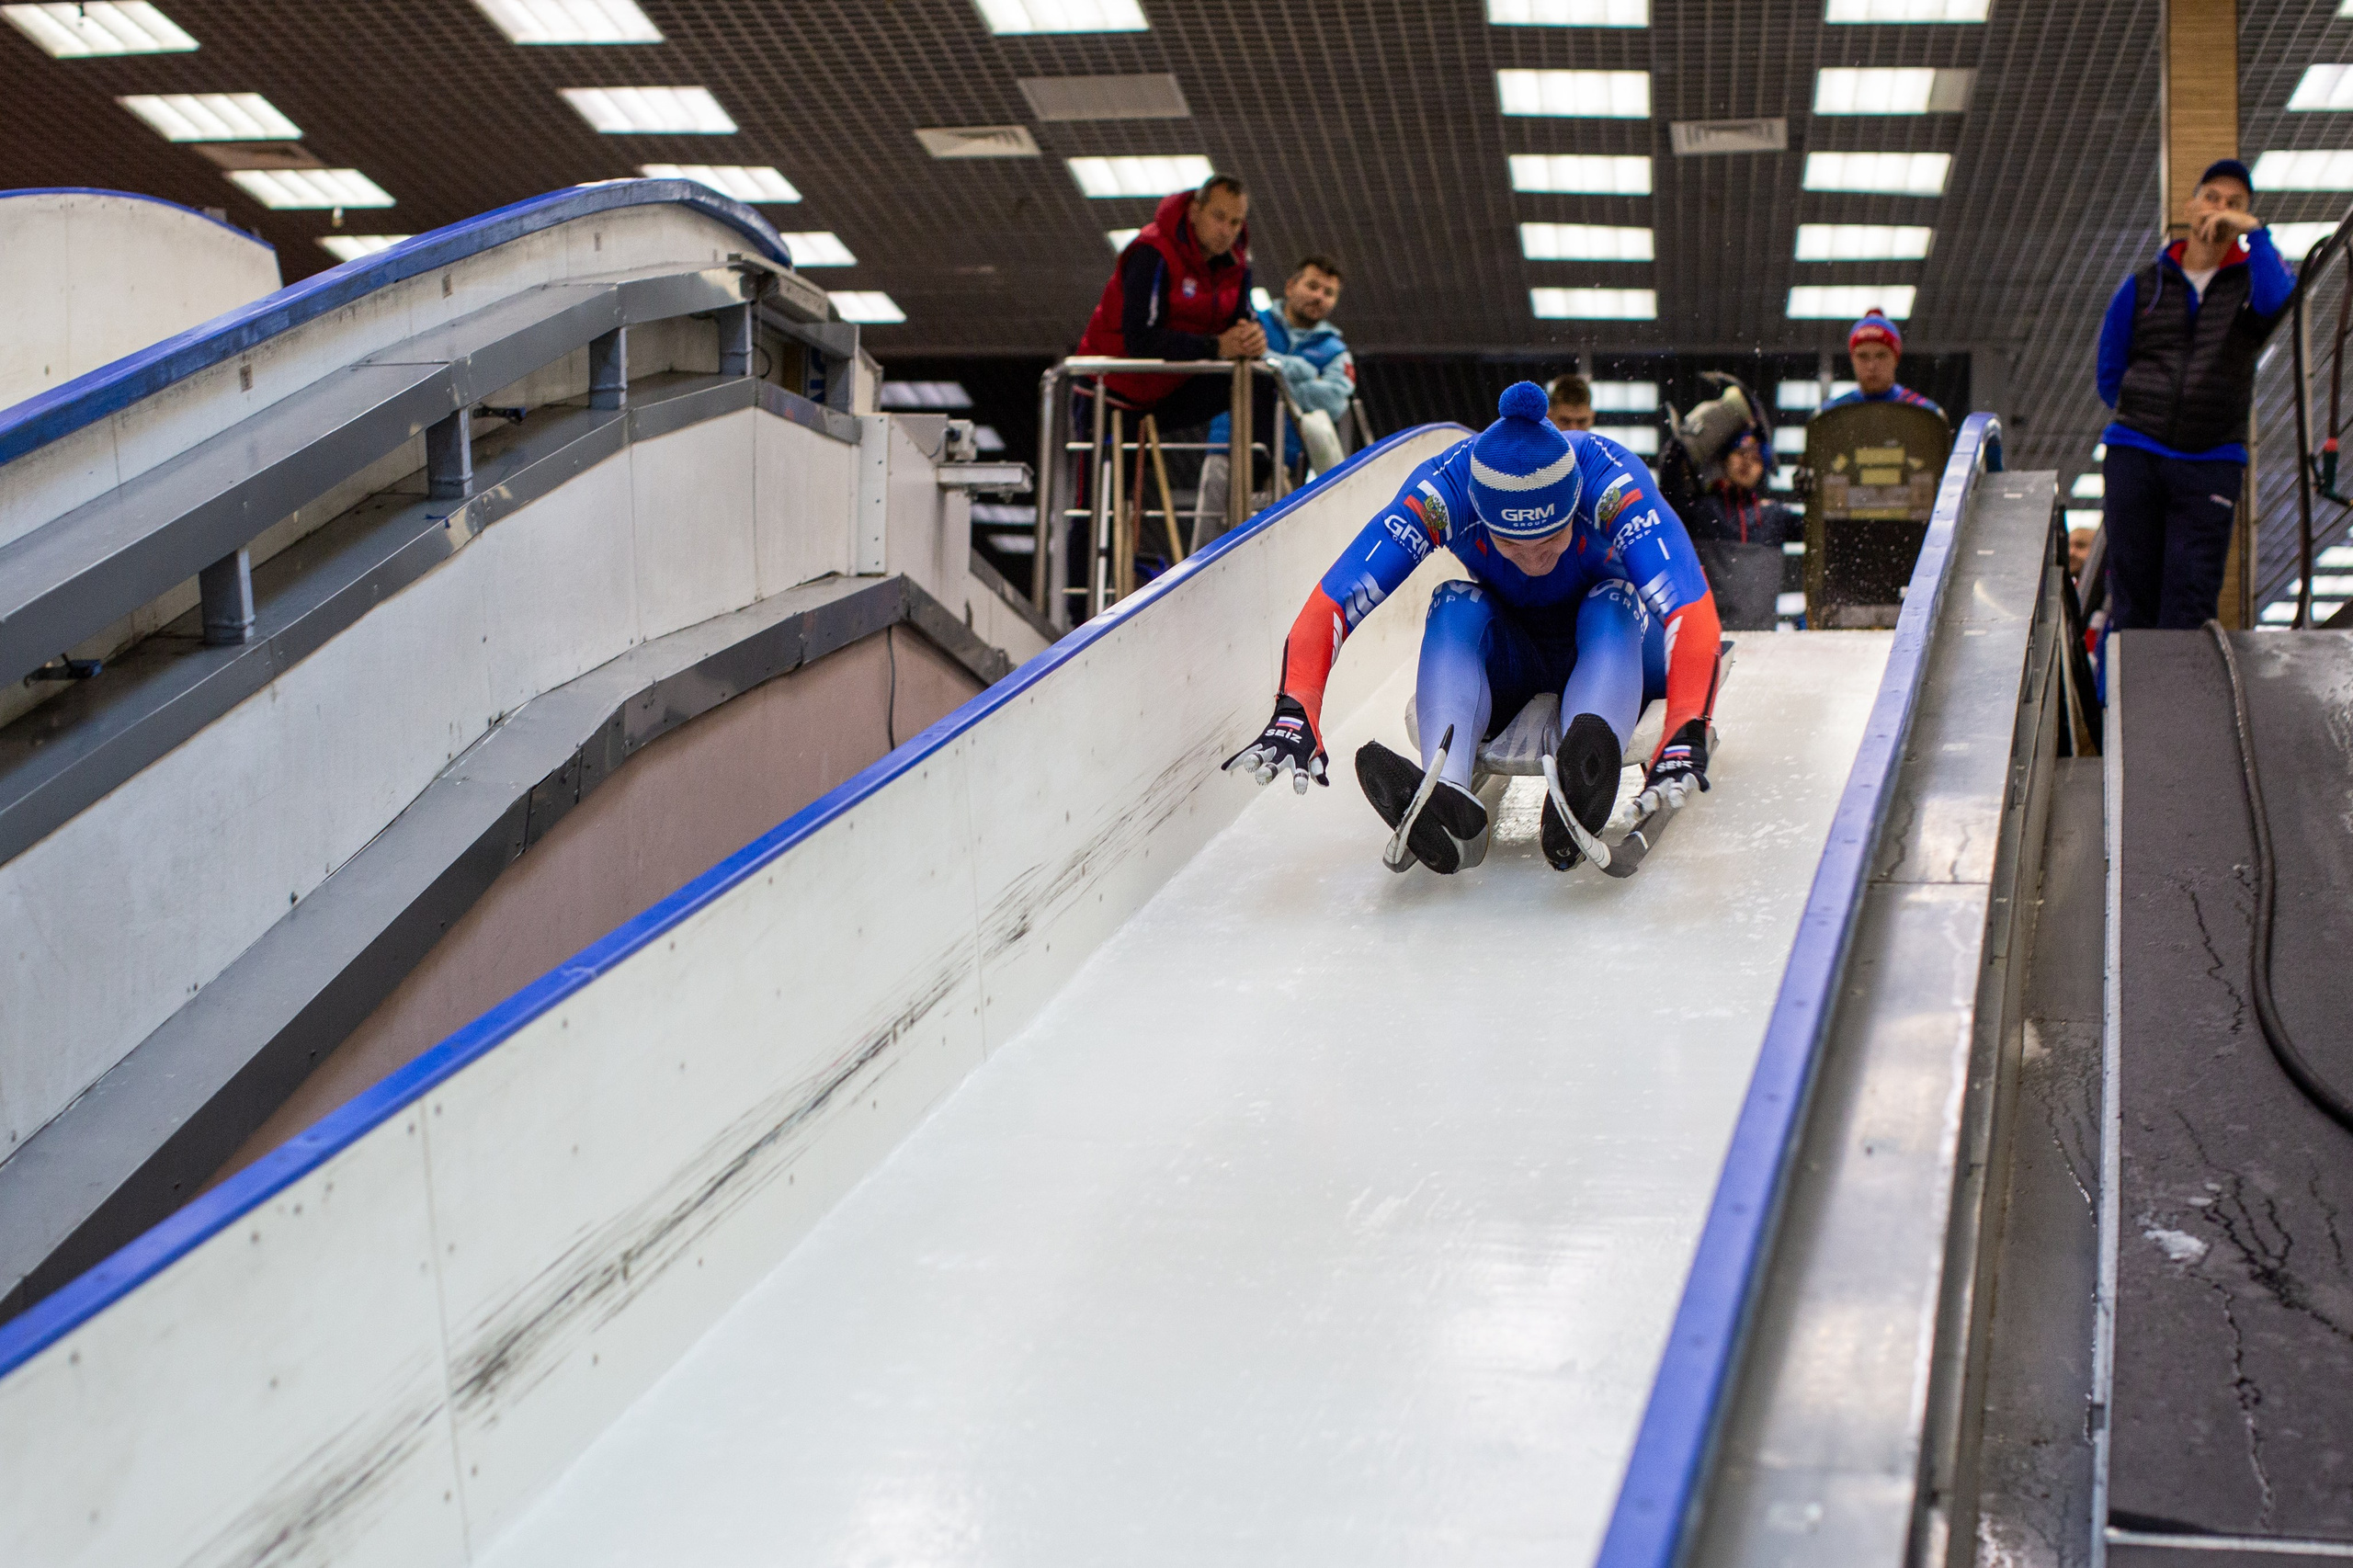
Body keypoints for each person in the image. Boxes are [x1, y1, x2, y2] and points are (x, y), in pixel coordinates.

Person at [1222, 381, 1724, 876]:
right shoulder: (1445, 490)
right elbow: (1339, 595)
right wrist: (1296, 706)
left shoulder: (1609, 481)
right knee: (1453, 604)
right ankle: (1448, 796)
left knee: (1612, 601)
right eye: (1512, 545)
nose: (1535, 560)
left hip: (1625, 646)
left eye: (1552, 540)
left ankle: (1585, 770)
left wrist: (1685, 726)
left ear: (1575, 504)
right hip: (1519, 651)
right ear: (1481, 517)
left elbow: (1688, 605)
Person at [2094, 157, 2292, 633]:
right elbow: (2109, 371)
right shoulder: (2145, 285)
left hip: (2211, 461)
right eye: (2212, 198)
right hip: (2137, 453)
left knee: (2189, 599)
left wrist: (2256, 234)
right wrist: (2147, 411)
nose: (2220, 211)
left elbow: (2279, 298)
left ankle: (2177, 707)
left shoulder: (2249, 285)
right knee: (2133, 596)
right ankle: (2129, 707)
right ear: (2190, 204)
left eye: (2235, 205)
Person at [1076, 173, 1266, 431]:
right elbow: (1141, 339)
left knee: (1261, 379)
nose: (1227, 231)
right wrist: (1216, 346)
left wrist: (1253, 337)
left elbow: (1242, 319)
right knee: (1107, 471)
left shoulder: (1237, 264)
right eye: (1218, 217)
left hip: (1163, 390)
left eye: (1235, 222)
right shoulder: (1152, 251)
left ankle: (1262, 467)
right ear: (1194, 211)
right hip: (1109, 388)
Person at [1194, 254, 1358, 551]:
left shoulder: (1335, 350)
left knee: (1274, 550)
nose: (1319, 297)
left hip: (1286, 461)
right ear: (1291, 286)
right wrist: (1305, 373)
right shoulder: (1250, 322)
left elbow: (1333, 401)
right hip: (1226, 447)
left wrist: (1271, 371)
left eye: (1328, 293)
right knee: (1208, 545)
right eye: (1313, 286)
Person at [1822, 311, 1944, 419]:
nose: (1871, 366)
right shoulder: (1831, 415)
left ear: (1896, 358)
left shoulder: (1925, 415)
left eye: (1881, 356)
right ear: (1852, 359)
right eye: (1863, 356)